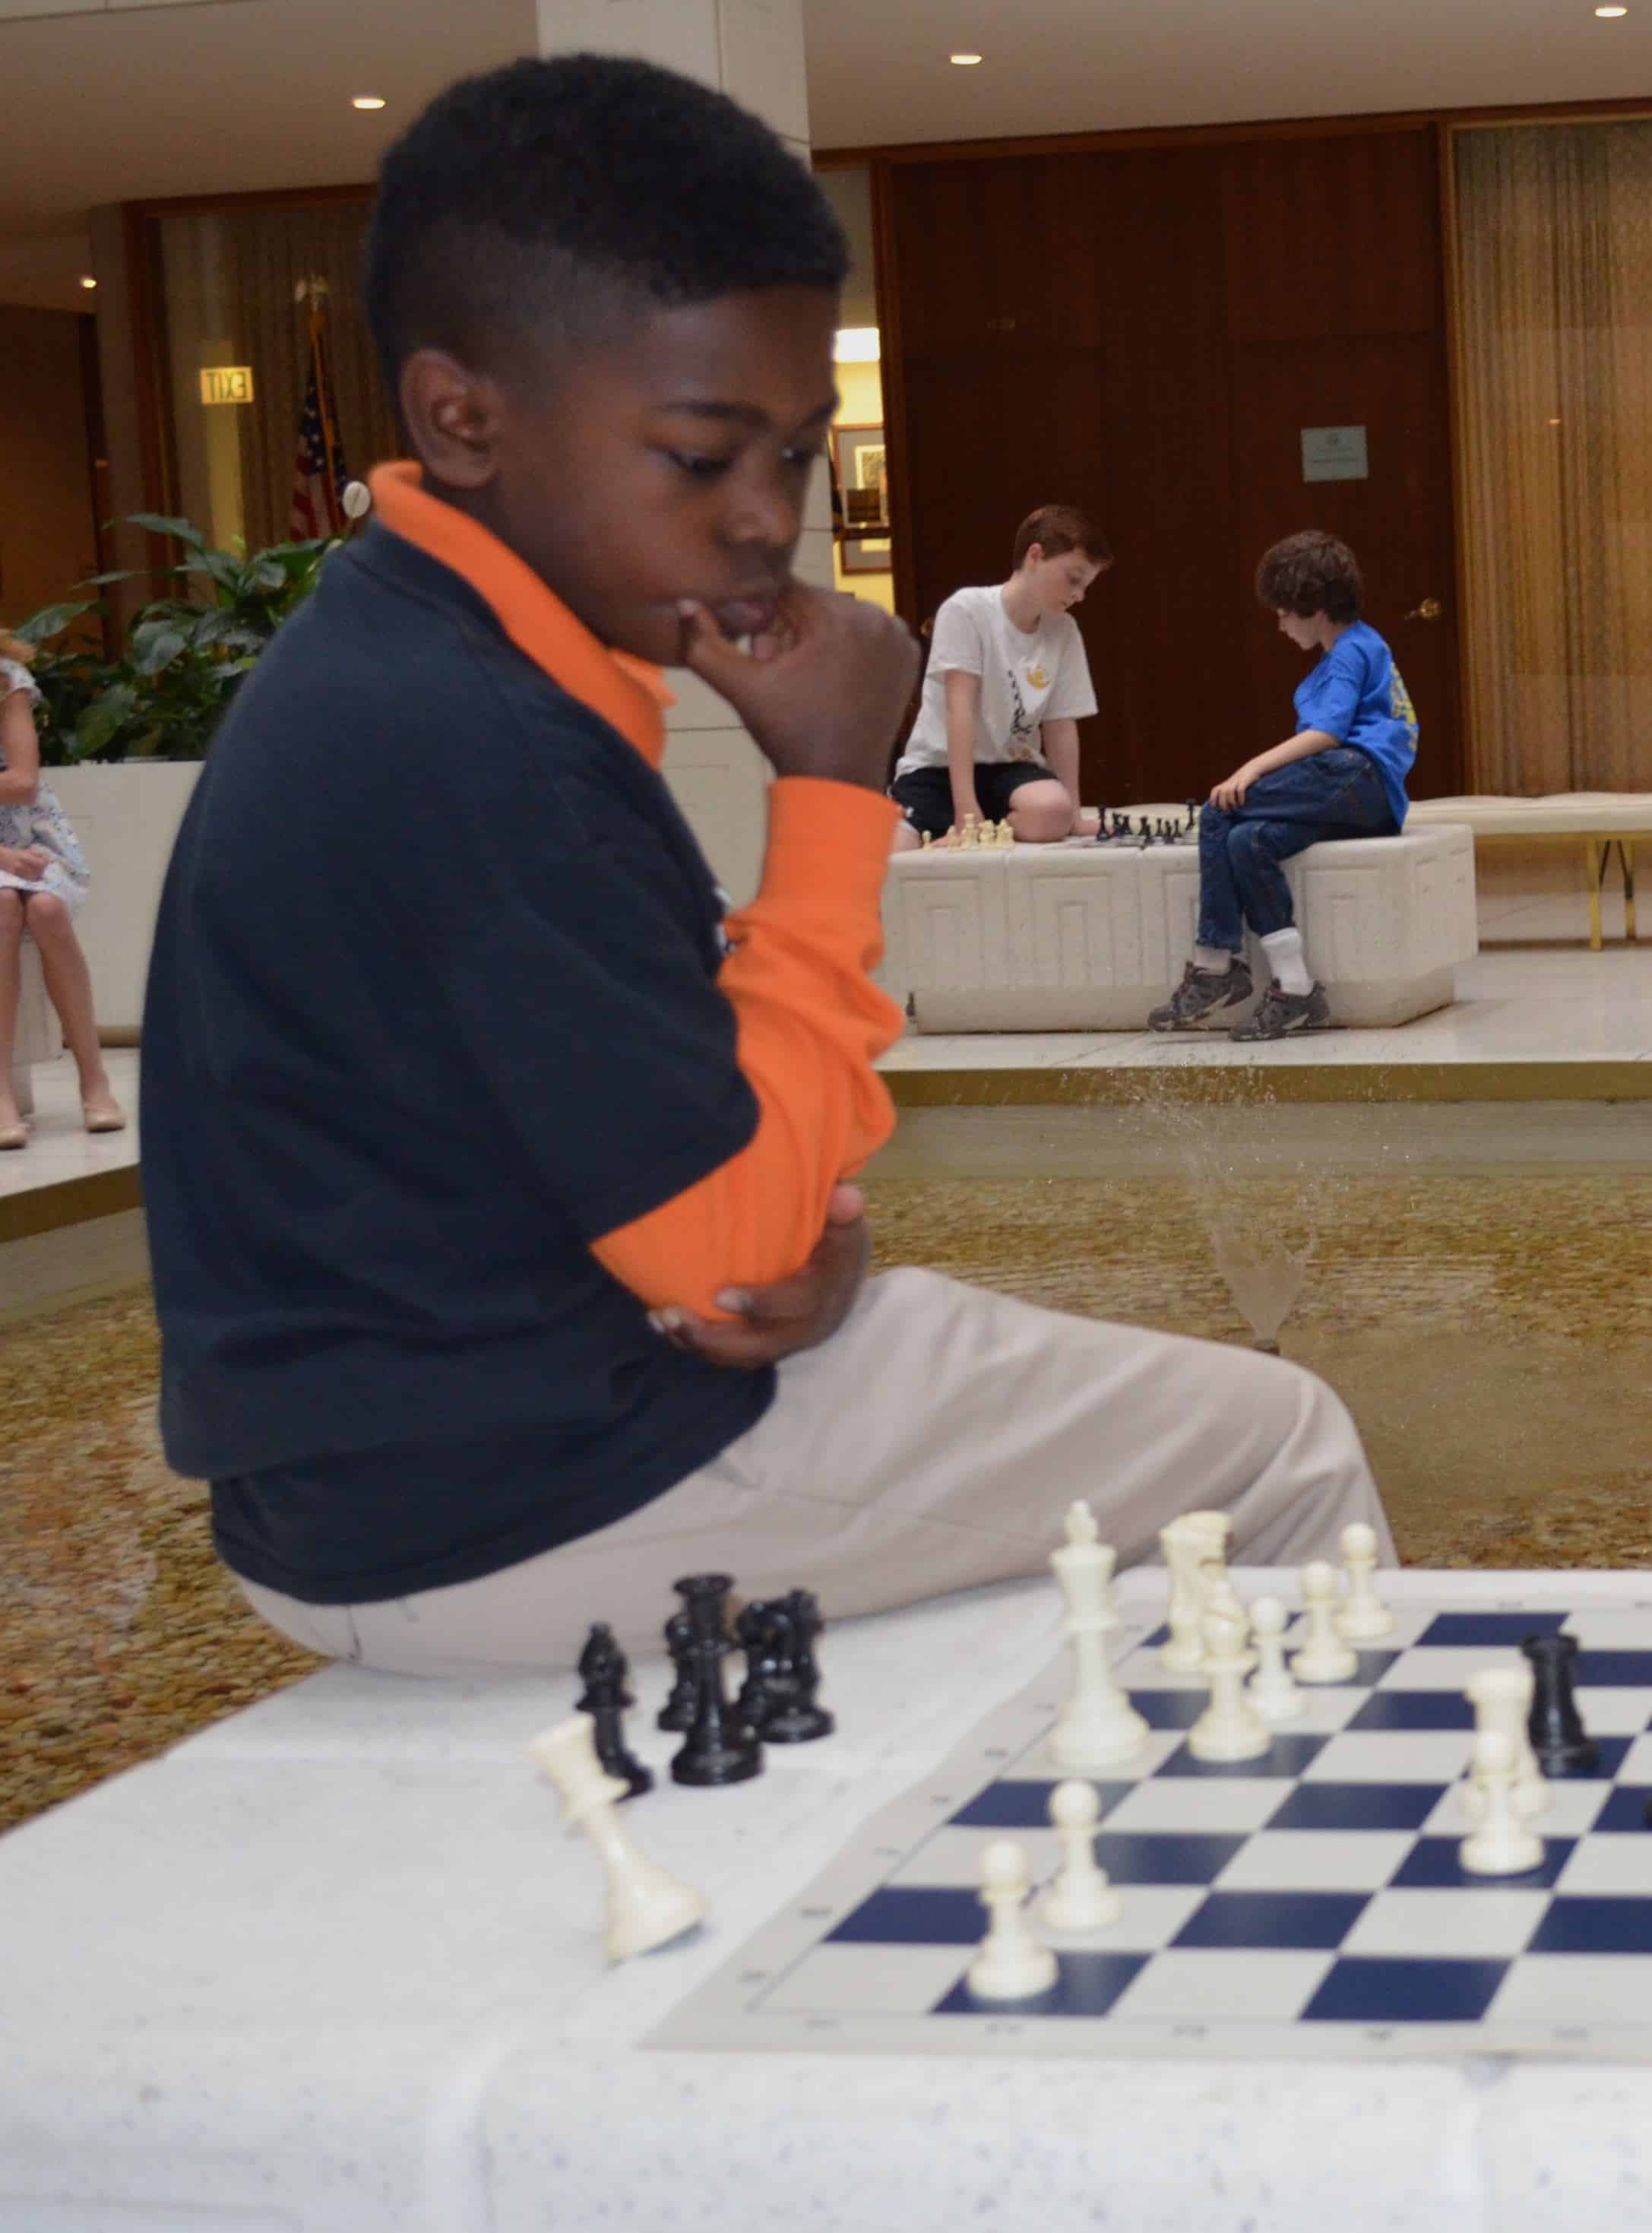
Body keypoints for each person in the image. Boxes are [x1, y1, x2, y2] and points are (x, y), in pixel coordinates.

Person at [139, 56, 1393, 1677]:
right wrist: (825, 785)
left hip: (423, 1458)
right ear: (465, 415)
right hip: (519, 1490)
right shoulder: (473, 734)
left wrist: (796, 1217)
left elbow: (708, 1169)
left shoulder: (418, 657)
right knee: (1277, 1444)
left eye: (790, 456)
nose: (760, 522)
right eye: (696, 452)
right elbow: (734, 1243)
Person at [1151, 531, 1418, 1042]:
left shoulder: (1345, 654)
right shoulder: (1365, 643)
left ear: (1312, 607)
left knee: (1218, 810)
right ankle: (1296, 989)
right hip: (1371, 799)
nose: (1278, 622)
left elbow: (1328, 734)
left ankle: (1213, 966)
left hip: (1357, 776)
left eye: (1282, 611)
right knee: (1246, 841)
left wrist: (1250, 769)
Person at [888, 505, 1109, 851]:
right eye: (1074, 579)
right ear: (1035, 555)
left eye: (1086, 586)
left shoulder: (1064, 630)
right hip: (939, 770)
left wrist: (1074, 816)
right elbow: (957, 712)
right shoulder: (966, 609)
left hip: (1010, 770)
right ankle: (953, 820)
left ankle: (987, 826)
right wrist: (965, 810)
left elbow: (1060, 724)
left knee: (1053, 812)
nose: (1079, 595)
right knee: (887, 850)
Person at [0, 632, 125, 1147]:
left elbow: (24, 782)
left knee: (48, 908)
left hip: (29, 831)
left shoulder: (6, 679)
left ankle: (94, 1080)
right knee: (2, 905)